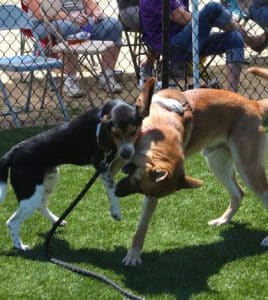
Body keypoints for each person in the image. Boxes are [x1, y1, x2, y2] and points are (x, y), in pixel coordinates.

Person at [140, 0, 268, 92]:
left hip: (192, 40)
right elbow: (185, 19)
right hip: (173, 48)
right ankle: (251, 41)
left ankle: (231, 96)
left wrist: (208, 19)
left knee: (234, 38)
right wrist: (210, 19)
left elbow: (191, 20)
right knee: (212, 8)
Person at [27, 0, 123, 97]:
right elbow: (39, 12)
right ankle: (70, 80)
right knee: (68, 27)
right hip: (46, 22)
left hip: (81, 20)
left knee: (113, 24)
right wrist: (69, 17)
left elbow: (89, 3)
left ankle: (107, 76)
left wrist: (95, 12)